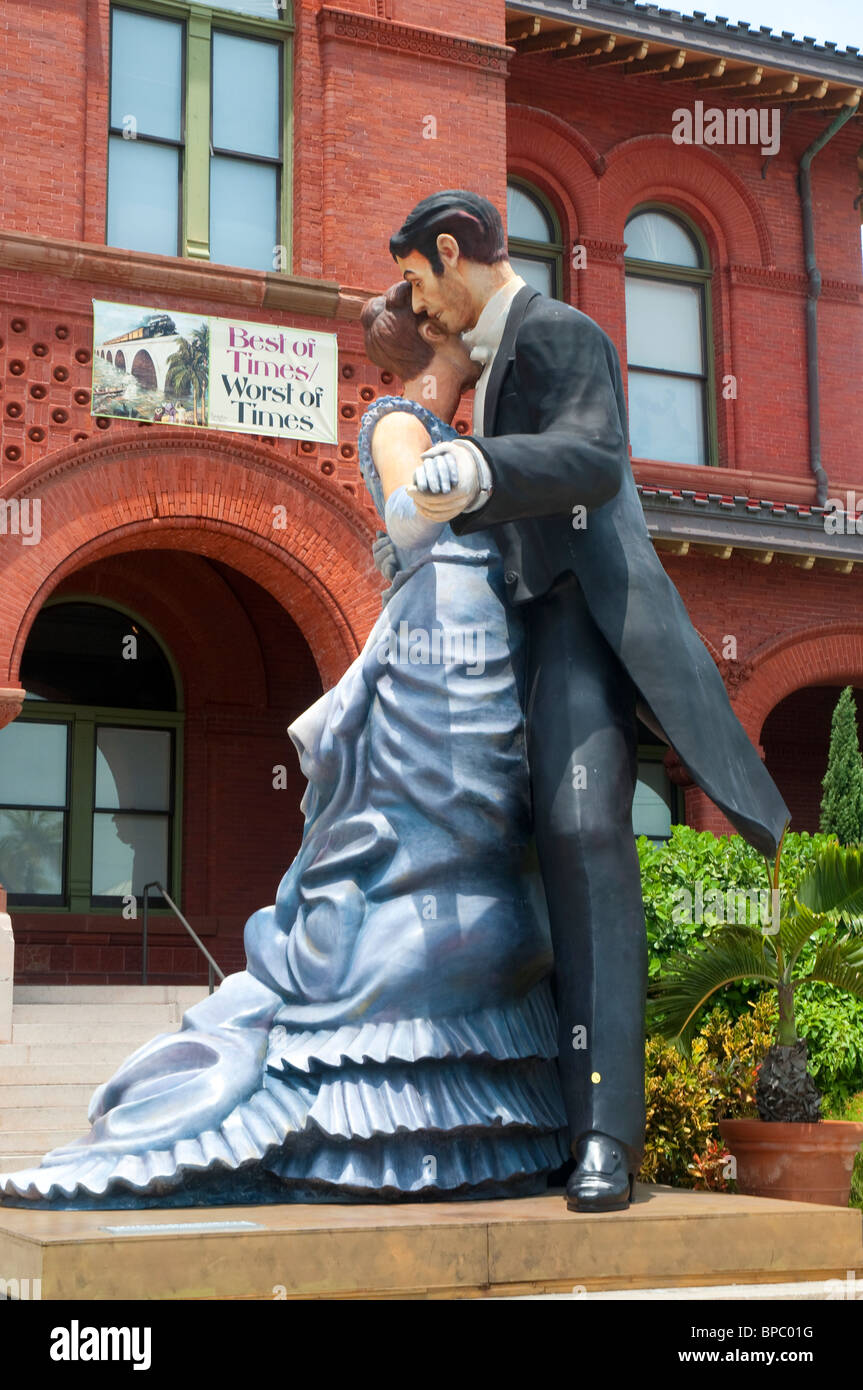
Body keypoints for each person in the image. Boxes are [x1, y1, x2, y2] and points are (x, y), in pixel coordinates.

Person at [0, 280, 568, 1209]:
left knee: (465, 863)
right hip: (441, 636)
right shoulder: (400, 424)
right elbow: (411, 518)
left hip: (468, 648)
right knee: (412, 873)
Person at [377, 189, 791, 1213]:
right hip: (506, 639)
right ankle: (531, 1120)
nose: (417, 313)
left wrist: (474, 465)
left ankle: (605, 1134)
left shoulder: (560, 331)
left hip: (580, 626)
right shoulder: (488, 366)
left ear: (449, 253)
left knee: (581, 834)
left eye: (420, 287)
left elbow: (595, 462)